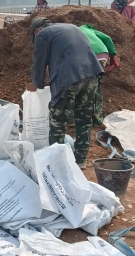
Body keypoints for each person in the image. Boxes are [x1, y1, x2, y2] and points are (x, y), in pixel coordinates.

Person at [26, 17, 104, 170]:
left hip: (69, 78)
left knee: (57, 119)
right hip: (92, 75)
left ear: (37, 30)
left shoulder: (43, 34)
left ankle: (57, 162)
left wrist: (36, 85)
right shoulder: (73, 27)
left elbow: (39, 62)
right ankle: (81, 161)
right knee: (84, 119)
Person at [66, 25, 120, 126]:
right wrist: (113, 57)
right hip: (102, 56)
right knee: (95, 86)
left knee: (77, 87)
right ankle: (97, 119)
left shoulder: (74, 32)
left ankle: (72, 119)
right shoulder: (90, 30)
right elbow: (107, 38)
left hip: (85, 57)